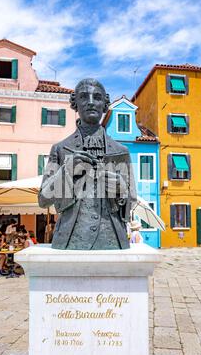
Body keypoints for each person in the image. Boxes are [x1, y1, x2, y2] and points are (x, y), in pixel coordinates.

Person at [39, 78, 137, 250]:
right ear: (75, 103)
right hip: (70, 239)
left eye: (97, 97)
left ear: (105, 104)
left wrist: (121, 189)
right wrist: (67, 171)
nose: (91, 102)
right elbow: (43, 199)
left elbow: (132, 200)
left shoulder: (121, 151)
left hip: (112, 237)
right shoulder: (60, 149)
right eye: (84, 97)